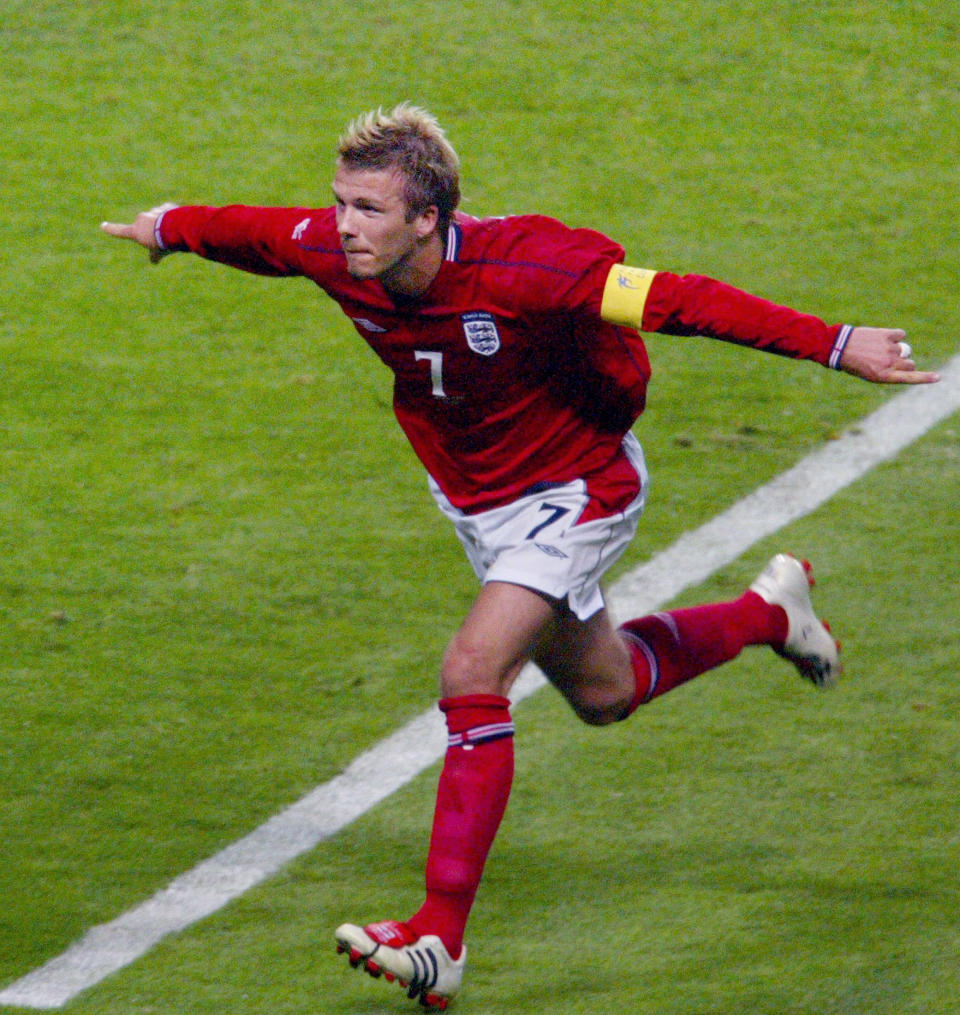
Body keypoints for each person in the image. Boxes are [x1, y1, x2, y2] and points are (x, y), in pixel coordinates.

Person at [102, 103, 940, 1010]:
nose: (345, 225)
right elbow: (254, 234)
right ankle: (771, 613)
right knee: (605, 690)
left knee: (472, 670)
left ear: (430, 218)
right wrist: (168, 228)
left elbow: (678, 301)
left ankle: (438, 936)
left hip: (577, 488)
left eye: (370, 210)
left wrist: (835, 342)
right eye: (341, 203)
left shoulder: (532, 269)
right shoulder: (335, 249)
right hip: (479, 502)